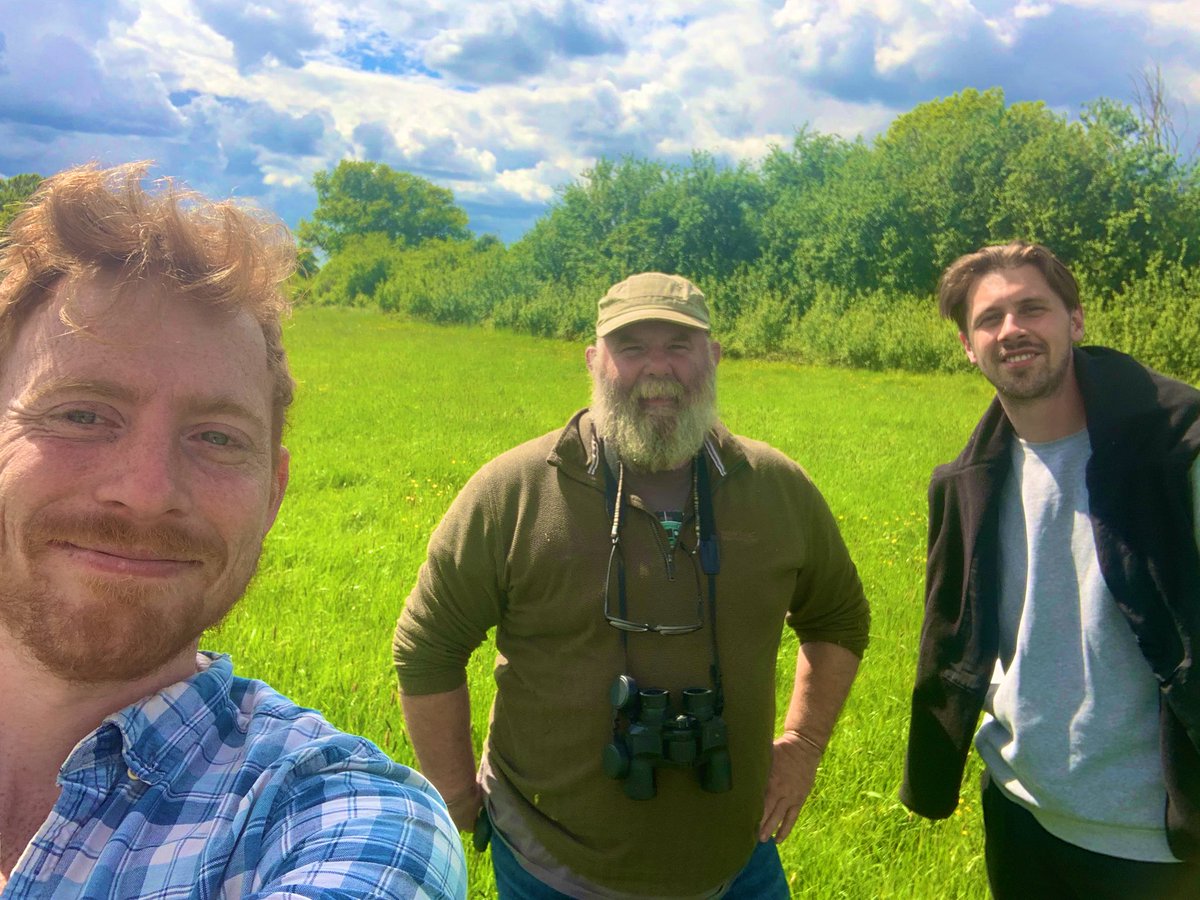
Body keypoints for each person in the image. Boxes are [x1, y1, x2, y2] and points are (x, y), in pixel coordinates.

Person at [0, 163, 466, 899]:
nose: (147, 494)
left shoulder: (338, 817)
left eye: (216, 438)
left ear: (272, 494)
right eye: (81, 415)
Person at [393, 272, 869, 898]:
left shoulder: (776, 488)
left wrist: (803, 744)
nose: (658, 369)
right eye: (632, 348)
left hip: (735, 862)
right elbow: (428, 645)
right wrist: (455, 795)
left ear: (714, 358)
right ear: (594, 361)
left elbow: (837, 617)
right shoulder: (514, 490)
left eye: (678, 345)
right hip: (549, 864)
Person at [901, 241, 1200, 898]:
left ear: (1076, 320)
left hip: (1155, 841)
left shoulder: (1181, 449)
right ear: (967, 345)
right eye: (990, 318)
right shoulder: (967, 481)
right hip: (1019, 813)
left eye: (1032, 307)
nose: (1012, 329)